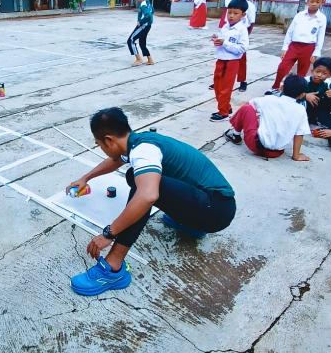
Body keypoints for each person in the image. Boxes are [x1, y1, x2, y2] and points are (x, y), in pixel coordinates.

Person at [67, 108, 236, 296]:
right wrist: (86, 178)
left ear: (108, 140)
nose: (101, 148)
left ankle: (113, 268)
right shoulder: (139, 141)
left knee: (144, 191)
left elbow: (147, 196)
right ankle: (191, 224)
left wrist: (109, 233)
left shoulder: (143, 151)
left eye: (99, 144)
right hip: (213, 204)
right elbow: (116, 160)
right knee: (135, 176)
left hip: (216, 211)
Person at [224, 75, 310, 161]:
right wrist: (296, 156)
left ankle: (236, 135)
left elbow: (251, 104)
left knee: (247, 108)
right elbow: (300, 133)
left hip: (255, 146)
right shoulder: (301, 109)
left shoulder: (269, 99)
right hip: (276, 153)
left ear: (281, 88)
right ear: (302, 95)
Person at [268, 0, 327, 93]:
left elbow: (320, 37)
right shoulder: (300, 15)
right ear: (307, 1)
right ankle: (275, 87)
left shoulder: (321, 18)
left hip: (308, 47)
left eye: (317, 2)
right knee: (282, 67)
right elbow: (290, 32)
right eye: (312, 1)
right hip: (294, 46)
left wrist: (316, 53)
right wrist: (285, 47)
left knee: (302, 72)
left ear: (323, 2)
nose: (314, 4)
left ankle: (296, 92)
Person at [210, 0, 249, 121]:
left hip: (232, 62)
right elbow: (222, 39)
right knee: (217, 86)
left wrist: (225, 43)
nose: (231, 16)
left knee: (225, 88)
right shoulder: (225, 26)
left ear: (243, 15)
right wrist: (216, 38)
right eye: (229, 12)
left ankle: (224, 113)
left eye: (235, 13)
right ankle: (226, 107)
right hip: (220, 59)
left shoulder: (242, 30)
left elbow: (242, 48)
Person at [233, 0, 256, 92]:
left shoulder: (250, 6)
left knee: (241, 60)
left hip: (242, 33)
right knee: (225, 58)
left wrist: (245, 36)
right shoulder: (233, 3)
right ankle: (221, 79)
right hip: (231, 32)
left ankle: (243, 81)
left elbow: (251, 22)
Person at [304, 57, 331, 126]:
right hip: (303, 113)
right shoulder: (304, 81)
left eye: (324, 73)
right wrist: (305, 96)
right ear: (312, 71)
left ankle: (318, 118)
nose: (319, 75)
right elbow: (287, 94)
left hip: (320, 113)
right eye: (317, 71)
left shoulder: (328, 83)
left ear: (330, 75)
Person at [127, 0, 155, 66]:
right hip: (148, 26)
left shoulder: (143, 4)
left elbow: (148, 15)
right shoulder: (147, 2)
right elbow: (152, 11)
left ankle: (138, 59)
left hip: (143, 26)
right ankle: (150, 60)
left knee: (130, 40)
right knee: (142, 43)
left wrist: (141, 22)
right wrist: (148, 22)